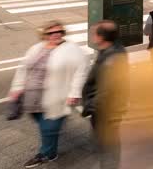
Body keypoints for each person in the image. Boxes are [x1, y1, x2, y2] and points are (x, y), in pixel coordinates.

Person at [8, 21, 89, 168]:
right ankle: (52, 140)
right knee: (43, 124)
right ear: (44, 35)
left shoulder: (73, 50)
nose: (55, 35)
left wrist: (74, 93)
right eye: (51, 33)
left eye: (59, 32)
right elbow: (23, 68)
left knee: (49, 128)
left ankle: (46, 154)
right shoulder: (36, 48)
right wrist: (17, 87)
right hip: (32, 96)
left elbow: (81, 72)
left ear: (63, 33)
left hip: (56, 96)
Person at [82, 21, 129, 168]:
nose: (92, 36)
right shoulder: (112, 51)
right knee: (108, 146)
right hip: (108, 110)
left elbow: (106, 90)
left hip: (106, 112)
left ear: (100, 37)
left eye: (94, 33)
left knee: (108, 148)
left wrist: (89, 107)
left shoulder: (112, 58)